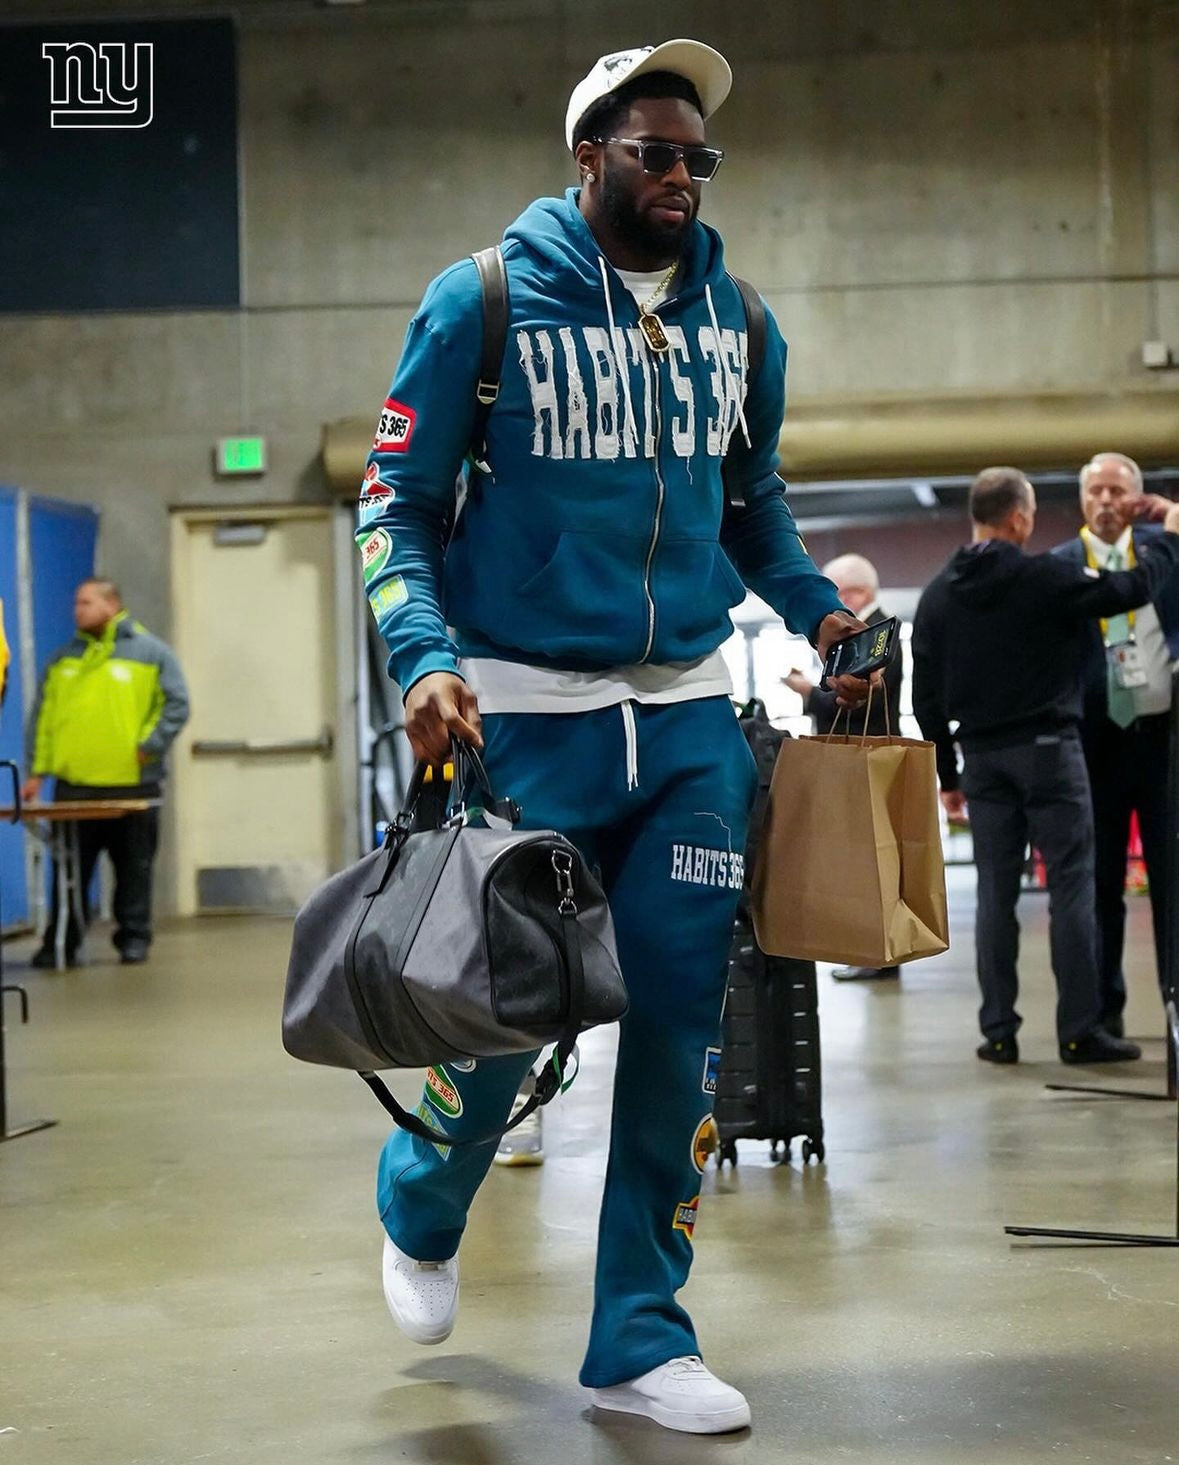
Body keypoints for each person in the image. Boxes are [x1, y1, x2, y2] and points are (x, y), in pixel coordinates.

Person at [357, 39, 875, 1435]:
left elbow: (752, 505)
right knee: (504, 1012)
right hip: (529, 716)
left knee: (678, 1025)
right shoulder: (483, 301)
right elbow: (394, 503)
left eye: (699, 156)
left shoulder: (739, 323)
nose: (681, 176)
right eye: (654, 151)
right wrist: (424, 659)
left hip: (690, 719)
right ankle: (421, 1200)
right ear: (588, 155)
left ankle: (641, 1336)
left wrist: (818, 613)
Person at [911, 467, 1179, 1066]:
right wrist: (1169, 540)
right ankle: (1080, 1031)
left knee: (995, 895)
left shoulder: (935, 597)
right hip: (1050, 753)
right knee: (1072, 888)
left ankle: (998, 1031)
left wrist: (948, 776)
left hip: (982, 761)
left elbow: (924, 697)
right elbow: (1129, 590)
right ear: (1019, 518)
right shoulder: (1044, 577)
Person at [1052, 453, 1179, 1036]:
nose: (1106, 501)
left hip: (1160, 742)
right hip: (1091, 743)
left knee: (1170, 881)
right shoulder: (1059, 565)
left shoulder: (1165, 551)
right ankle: (1104, 1013)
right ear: (1082, 500)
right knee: (1100, 885)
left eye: (1117, 491)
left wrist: (1171, 513)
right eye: (1096, 491)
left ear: (1138, 498)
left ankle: (1174, 1004)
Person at [21, 579, 189, 966]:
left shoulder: (152, 653)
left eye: (86, 602)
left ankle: (133, 938)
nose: (77, 610)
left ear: (112, 605)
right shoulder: (63, 660)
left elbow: (177, 704)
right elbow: (43, 719)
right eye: (76, 603)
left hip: (134, 784)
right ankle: (62, 942)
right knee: (70, 870)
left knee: (134, 869)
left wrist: (149, 746)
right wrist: (36, 772)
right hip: (74, 787)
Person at [785, 552, 904, 981]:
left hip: (865, 757)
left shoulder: (877, 635)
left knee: (872, 860)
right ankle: (873, 951)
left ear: (857, 593)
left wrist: (807, 692)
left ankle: (879, 954)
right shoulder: (873, 633)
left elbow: (856, 700)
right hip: (864, 758)